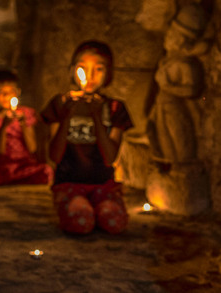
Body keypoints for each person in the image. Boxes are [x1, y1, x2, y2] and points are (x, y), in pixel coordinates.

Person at [40, 40, 133, 235]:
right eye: (83, 68)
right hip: (69, 184)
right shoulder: (60, 104)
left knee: (113, 222)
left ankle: (98, 210)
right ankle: (82, 209)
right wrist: (66, 117)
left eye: (98, 69)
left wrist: (97, 117)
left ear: (109, 73)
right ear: (73, 69)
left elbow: (110, 157)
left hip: (103, 184)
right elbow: (55, 156)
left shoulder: (114, 108)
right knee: (81, 222)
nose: (89, 76)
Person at [0, 69, 53, 185]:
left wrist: (23, 123)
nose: (6, 97)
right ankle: (11, 179)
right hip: (2, 166)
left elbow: (32, 148)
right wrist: (4, 127)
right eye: (2, 93)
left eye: (10, 92)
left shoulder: (26, 113)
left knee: (47, 171)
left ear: (18, 93)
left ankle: (15, 179)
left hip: (24, 164)